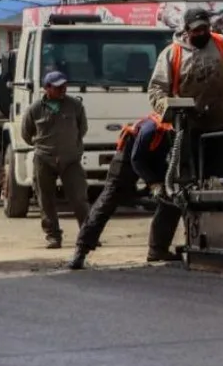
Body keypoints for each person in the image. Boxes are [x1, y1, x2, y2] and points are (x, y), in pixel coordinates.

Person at [144, 6, 223, 260]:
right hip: (185, 131)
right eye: (197, 30)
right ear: (186, 31)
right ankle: (158, 248)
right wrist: (169, 106)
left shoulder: (222, 46)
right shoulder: (172, 54)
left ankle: (221, 240)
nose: (202, 33)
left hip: (219, 126)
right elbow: (156, 91)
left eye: (205, 29)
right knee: (178, 187)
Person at [68, 112, 176, 271]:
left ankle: (158, 249)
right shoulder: (151, 129)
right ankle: (81, 251)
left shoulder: (176, 131)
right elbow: (136, 159)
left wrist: (161, 184)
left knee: (170, 200)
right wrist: (153, 183)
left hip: (153, 161)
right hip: (126, 161)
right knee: (107, 203)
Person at [19, 71, 90, 249]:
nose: (62, 89)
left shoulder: (75, 106)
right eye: (58, 87)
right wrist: (44, 146)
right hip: (44, 159)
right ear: (47, 88)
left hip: (70, 159)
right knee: (46, 199)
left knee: (79, 198)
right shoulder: (35, 109)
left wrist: (69, 146)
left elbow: (82, 129)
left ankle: (88, 235)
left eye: (64, 86)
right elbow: (26, 134)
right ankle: (53, 236)